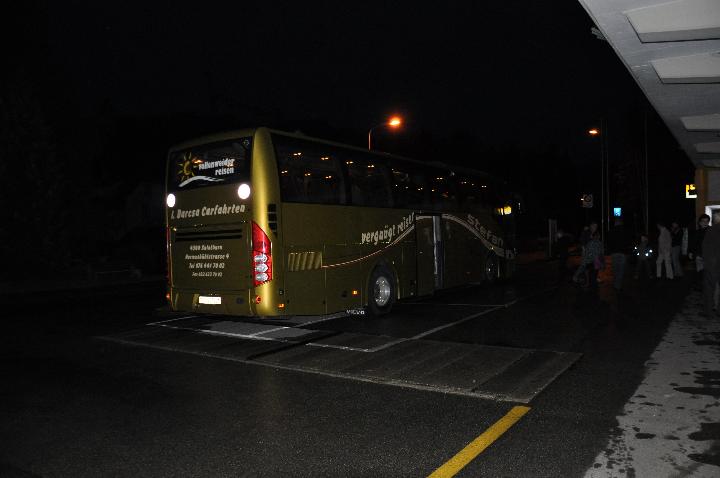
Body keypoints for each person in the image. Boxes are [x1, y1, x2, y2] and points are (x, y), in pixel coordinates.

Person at [702, 210, 720, 316]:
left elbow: (705, 248)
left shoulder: (711, 230)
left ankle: (708, 312)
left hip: (712, 264)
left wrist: (706, 261)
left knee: (709, 288)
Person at [607, 218, 630, 291]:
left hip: (614, 253)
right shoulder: (624, 231)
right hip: (622, 253)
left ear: (615, 223)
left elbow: (609, 242)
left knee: (615, 268)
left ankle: (615, 284)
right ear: (621, 223)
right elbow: (627, 242)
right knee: (621, 270)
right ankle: (618, 285)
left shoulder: (611, 231)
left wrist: (609, 251)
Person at [689, 214, 711, 283]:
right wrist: (691, 252)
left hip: (709, 256)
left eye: (707, 221)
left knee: (708, 273)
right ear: (700, 222)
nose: (705, 223)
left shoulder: (711, 231)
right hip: (699, 255)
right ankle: (700, 286)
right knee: (700, 272)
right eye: (703, 221)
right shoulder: (697, 232)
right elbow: (693, 243)